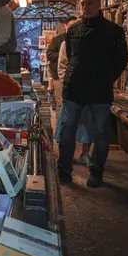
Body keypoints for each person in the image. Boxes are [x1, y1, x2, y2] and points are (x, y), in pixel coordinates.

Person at [57, 0, 128, 187]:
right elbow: (72, 57)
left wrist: (106, 78)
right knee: (67, 129)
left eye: (89, 3)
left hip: (100, 89)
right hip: (75, 87)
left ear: (99, 5)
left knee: (101, 132)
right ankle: (63, 170)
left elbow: (121, 60)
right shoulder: (73, 30)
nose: (85, 7)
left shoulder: (113, 31)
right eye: (82, 4)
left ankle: (96, 171)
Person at [55, 21, 94, 165]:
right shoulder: (66, 44)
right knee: (67, 123)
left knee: (88, 122)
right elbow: (62, 66)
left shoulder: (91, 43)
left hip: (89, 89)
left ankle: (85, 153)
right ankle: (65, 155)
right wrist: (68, 83)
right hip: (71, 89)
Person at [47, 17, 77, 118]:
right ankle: (59, 130)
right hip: (58, 75)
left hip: (73, 76)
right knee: (60, 102)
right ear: (65, 26)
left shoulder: (79, 39)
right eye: (71, 25)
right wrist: (62, 55)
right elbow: (49, 54)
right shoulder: (58, 39)